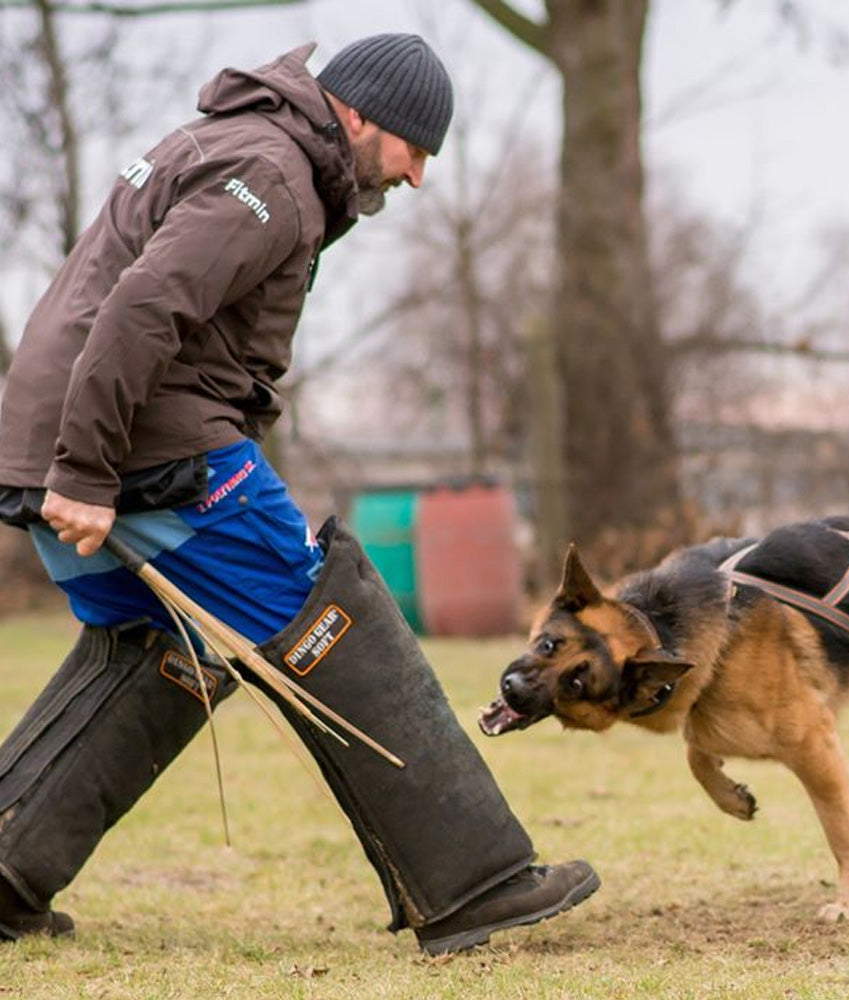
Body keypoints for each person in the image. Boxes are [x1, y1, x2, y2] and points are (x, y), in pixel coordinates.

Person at [0, 35, 599, 955]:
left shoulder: (236, 144)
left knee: (172, 647)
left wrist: (62, 462)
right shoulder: (273, 177)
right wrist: (83, 471)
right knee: (333, 618)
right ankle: (476, 880)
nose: (419, 174)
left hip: (56, 441)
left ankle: (5, 870)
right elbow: (143, 308)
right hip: (140, 451)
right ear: (358, 114)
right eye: (414, 147)